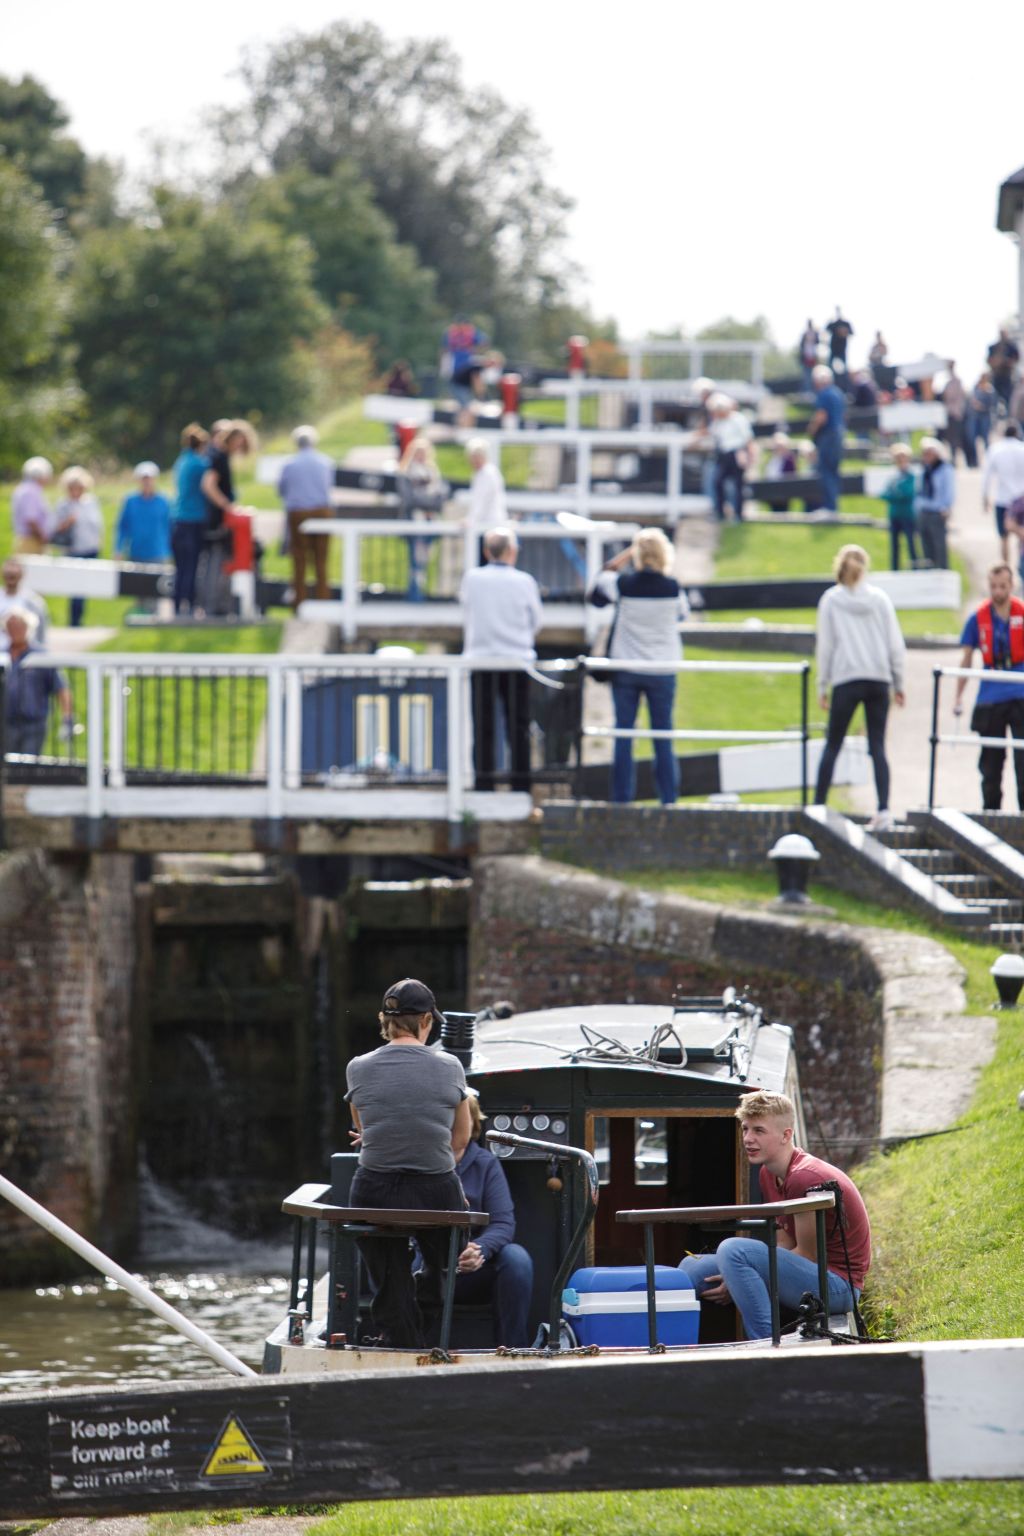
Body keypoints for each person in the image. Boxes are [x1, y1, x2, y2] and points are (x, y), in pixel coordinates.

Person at [678, 1090, 871, 1341]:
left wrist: (738, 1273)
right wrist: (737, 1275)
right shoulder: (768, 1174)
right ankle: (671, 1348)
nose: (747, 1138)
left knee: (733, 1250)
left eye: (759, 1131)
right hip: (810, 1272)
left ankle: (766, 1345)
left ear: (786, 1135)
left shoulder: (805, 1176)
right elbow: (784, 1244)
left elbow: (808, 1254)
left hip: (837, 1286)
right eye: (745, 1129)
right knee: (692, 1267)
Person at [344, 978, 472, 1348]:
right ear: (427, 1021)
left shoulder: (358, 1067)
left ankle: (399, 1337)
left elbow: (361, 1127)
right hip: (434, 1188)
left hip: (374, 1189)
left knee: (387, 1272)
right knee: (444, 1259)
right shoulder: (450, 1067)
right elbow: (461, 1138)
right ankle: (420, 1326)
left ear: (386, 1021)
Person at [587, 527, 688, 805]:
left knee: (623, 734)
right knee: (663, 737)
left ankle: (621, 800)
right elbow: (683, 613)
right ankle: (668, 799)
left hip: (627, 669)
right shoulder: (673, 588)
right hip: (662, 670)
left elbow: (598, 585)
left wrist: (623, 557)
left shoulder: (624, 585)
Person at [813, 544, 906, 831]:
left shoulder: (830, 600)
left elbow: (826, 646)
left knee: (833, 742)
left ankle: (817, 804)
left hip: (847, 677)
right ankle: (884, 809)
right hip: (878, 677)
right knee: (877, 745)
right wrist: (898, 681)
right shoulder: (879, 599)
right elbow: (895, 643)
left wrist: (822, 684)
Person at [443, 1095, 534, 1347]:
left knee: (517, 1259)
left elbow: (503, 1223)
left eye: (460, 1119)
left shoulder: (486, 1164)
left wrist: (479, 1249)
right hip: (430, 1264)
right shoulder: (422, 1163)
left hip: (475, 1269)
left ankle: (513, 1351)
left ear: (473, 1124)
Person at [460, 526, 542, 792]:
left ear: (486, 552)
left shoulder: (472, 578)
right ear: (512, 551)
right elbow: (536, 621)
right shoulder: (525, 582)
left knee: (483, 726)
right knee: (518, 726)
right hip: (517, 661)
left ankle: (483, 784)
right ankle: (521, 785)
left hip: (481, 659)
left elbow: (466, 608)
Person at [953, 563, 1024, 812]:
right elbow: (966, 658)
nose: (998, 591)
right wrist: (958, 697)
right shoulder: (978, 618)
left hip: (1019, 691)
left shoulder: (1022, 613)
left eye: (1003, 586)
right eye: (993, 586)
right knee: (991, 763)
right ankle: (991, 813)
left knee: (1022, 759)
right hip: (991, 696)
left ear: (1011, 585)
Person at [200, 419, 257, 616]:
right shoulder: (219, 457)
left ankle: (216, 604)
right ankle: (213, 605)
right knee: (217, 564)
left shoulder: (218, 455)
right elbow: (208, 485)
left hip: (218, 516)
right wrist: (227, 506)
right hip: (218, 519)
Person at [2, 608, 73, 756]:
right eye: (11, 627)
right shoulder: (2, 655)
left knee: (28, 767)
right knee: (6, 770)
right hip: (6, 724)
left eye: (19, 626)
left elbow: (61, 688)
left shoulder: (41, 657)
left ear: (29, 628)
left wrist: (67, 719)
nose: (15, 630)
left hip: (33, 724)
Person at [278, 425, 334, 610]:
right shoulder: (325, 462)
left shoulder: (289, 464)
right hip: (322, 512)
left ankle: (300, 602)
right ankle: (323, 600)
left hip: (298, 513)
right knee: (321, 560)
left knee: (299, 559)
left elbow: (282, 490)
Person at [397, 436, 448, 600]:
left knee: (424, 559)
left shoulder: (432, 473)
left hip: (429, 522)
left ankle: (420, 592)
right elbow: (410, 500)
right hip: (415, 522)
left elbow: (440, 497)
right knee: (415, 560)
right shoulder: (406, 474)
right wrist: (429, 503)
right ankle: (414, 595)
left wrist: (429, 504)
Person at [53, 467, 103, 627]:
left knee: (85, 587)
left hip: (90, 548)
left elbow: (97, 525)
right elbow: (56, 528)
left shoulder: (91, 502)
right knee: (75, 587)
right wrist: (69, 521)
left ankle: (80, 619)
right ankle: (74, 621)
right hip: (72, 549)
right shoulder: (63, 505)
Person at [170, 423, 210, 615]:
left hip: (178, 519)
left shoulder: (181, 462)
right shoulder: (199, 464)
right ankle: (190, 603)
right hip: (194, 519)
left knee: (179, 567)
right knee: (192, 565)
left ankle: (177, 604)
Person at [982, 420, 1024, 563]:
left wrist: (985, 496)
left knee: (1004, 538)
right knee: (1021, 535)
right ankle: (1020, 565)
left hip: (1003, 498)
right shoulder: (1021, 448)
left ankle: (1006, 567)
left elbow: (986, 475)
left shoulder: (996, 449)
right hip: (1020, 498)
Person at [707, 393, 752, 522]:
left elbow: (747, 438)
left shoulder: (738, 419)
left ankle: (738, 514)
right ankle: (720, 512)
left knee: (738, 485)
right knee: (717, 481)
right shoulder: (718, 423)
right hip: (723, 455)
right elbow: (713, 435)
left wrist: (749, 457)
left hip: (737, 454)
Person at [115, 462, 171, 566]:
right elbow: (122, 527)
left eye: (150, 478)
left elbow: (169, 527)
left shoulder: (164, 501)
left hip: (158, 554)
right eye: (144, 479)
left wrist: (170, 552)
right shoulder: (130, 501)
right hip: (135, 553)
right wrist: (118, 549)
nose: (147, 482)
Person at [808, 364, 846, 511]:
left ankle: (830, 508)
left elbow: (821, 416)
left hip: (828, 437)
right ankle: (833, 506)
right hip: (838, 436)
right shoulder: (838, 393)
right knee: (834, 472)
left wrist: (811, 430)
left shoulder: (824, 394)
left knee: (826, 472)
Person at [916, 438, 955, 569]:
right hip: (924, 511)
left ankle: (943, 573)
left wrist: (946, 507)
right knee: (926, 548)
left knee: (939, 547)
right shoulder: (924, 470)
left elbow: (949, 491)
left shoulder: (945, 469)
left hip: (937, 512)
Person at [441, 317, 488, 424]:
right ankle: (462, 425)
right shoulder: (453, 333)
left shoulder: (470, 333)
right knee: (465, 405)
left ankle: (463, 423)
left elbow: (484, 342)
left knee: (464, 403)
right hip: (458, 372)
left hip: (463, 372)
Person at [880, 444, 918, 571]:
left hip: (907, 514)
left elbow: (908, 493)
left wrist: (895, 495)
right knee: (894, 546)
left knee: (911, 543)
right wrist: (896, 495)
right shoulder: (893, 477)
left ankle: (915, 567)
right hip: (894, 514)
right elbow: (885, 494)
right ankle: (895, 569)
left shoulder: (911, 476)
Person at [0, 558, 49, 648]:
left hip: (24, 654)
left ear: (22, 575)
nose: (11, 578)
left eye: (14, 575)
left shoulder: (34, 602)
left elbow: (41, 634)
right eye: (9, 575)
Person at [11, 457, 53, 554]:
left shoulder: (24, 489)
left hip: (27, 540)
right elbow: (31, 520)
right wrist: (42, 537)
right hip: (31, 541)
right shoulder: (31, 491)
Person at [465, 437, 507, 532]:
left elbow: (482, 501)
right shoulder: (479, 474)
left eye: (477, 456)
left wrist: (470, 520)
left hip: (491, 524)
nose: (474, 460)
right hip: (483, 524)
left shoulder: (489, 473)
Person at [965, 372, 997, 468]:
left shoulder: (990, 390)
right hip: (974, 416)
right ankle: (975, 461)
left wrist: (982, 406)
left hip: (985, 416)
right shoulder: (976, 388)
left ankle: (989, 461)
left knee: (986, 439)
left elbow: (993, 404)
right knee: (972, 439)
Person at [987, 327, 1020, 412]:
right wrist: (996, 361)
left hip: (1008, 376)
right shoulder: (993, 347)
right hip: (996, 376)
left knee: (1008, 399)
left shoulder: (1011, 346)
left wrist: (1006, 362)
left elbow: (1016, 359)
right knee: (994, 400)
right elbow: (989, 360)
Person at [941, 363, 968, 464]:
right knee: (951, 438)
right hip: (950, 414)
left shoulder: (956, 382)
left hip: (956, 414)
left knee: (957, 438)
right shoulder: (948, 383)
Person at [825, 308, 854, 375]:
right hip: (833, 349)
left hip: (842, 349)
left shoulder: (846, 323)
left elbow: (852, 333)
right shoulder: (833, 323)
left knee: (843, 370)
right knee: (830, 368)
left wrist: (844, 331)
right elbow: (826, 329)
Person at [798, 320, 818, 392]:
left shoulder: (815, 333)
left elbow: (818, 342)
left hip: (813, 358)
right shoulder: (804, 334)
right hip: (806, 358)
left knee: (813, 375)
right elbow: (801, 345)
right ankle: (807, 390)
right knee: (806, 375)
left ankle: (813, 390)